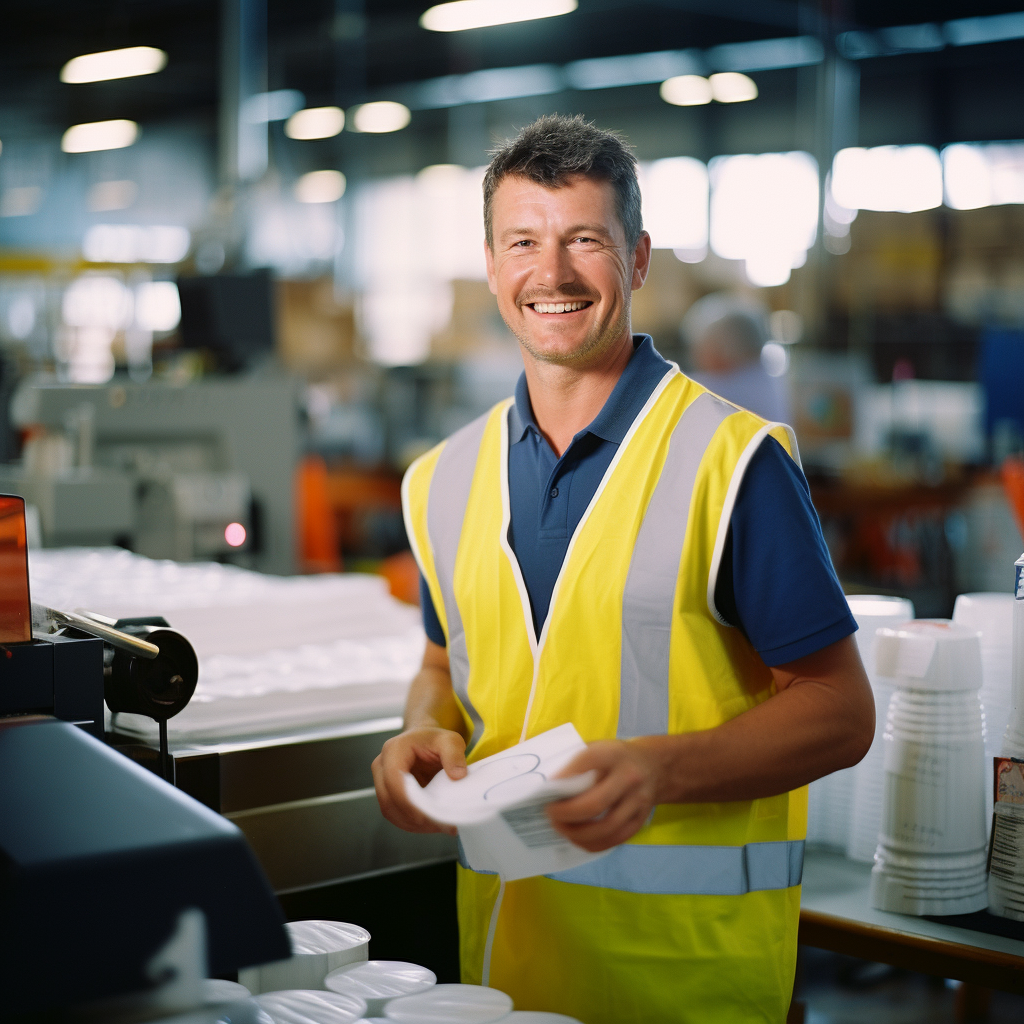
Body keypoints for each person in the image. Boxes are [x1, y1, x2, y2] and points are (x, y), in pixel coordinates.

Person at [372, 114, 874, 1024]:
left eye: (585, 241)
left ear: (637, 260)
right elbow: (447, 663)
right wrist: (422, 729)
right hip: (500, 983)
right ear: (491, 264)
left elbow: (840, 712)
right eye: (524, 241)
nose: (552, 274)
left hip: (685, 987)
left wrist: (660, 770)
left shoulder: (732, 463)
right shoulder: (440, 480)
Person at [682, 292, 791, 423]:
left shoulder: (723, 390)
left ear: (723, 351)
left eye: (702, 348)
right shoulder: (766, 378)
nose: (697, 357)